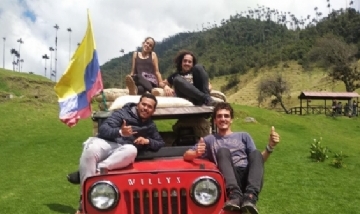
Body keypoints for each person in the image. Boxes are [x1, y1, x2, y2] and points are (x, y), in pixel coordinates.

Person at [73, 93, 165, 214]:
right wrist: (121, 132)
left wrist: (147, 141)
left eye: (149, 107)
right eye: (144, 104)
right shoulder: (122, 114)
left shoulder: (150, 125)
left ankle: (91, 170)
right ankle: (83, 203)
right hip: (106, 142)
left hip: (122, 150)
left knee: (132, 150)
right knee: (90, 150)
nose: (145, 108)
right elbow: (103, 130)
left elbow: (160, 142)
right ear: (138, 104)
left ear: (153, 111)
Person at [183, 102, 280, 214]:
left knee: (256, 153)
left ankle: (250, 197)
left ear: (231, 119)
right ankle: (235, 195)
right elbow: (186, 155)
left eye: (226, 116)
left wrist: (270, 147)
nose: (223, 119)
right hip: (228, 178)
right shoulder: (209, 139)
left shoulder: (244, 136)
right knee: (223, 152)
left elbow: (258, 162)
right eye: (219, 116)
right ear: (214, 120)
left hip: (247, 177)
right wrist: (196, 152)